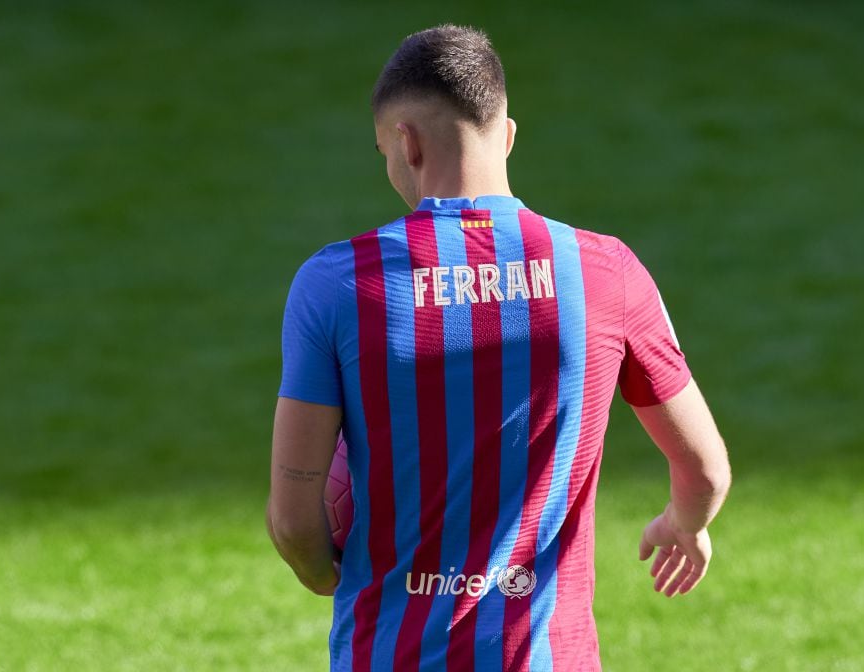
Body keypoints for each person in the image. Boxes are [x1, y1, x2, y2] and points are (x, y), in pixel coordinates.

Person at [266, 24, 731, 672]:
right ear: (506, 135)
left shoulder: (338, 284)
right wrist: (686, 523)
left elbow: (293, 517)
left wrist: (322, 572)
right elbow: (705, 470)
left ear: (406, 142)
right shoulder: (604, 272)